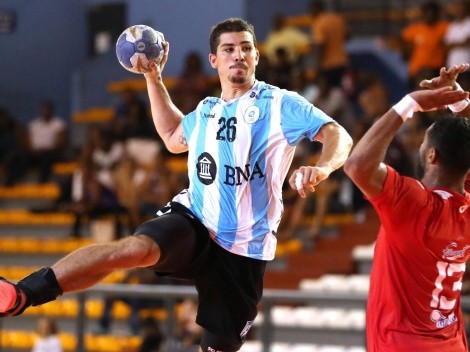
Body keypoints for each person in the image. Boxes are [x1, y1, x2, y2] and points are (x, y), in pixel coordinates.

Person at [0, 18, 352, 352]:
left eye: (246, 48)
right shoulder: (207, 109)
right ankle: (24, 293)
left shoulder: (279, 104)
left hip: (244, 249)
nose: (238, 55)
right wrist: (154, 77)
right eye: (229, 49)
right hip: (195, 220)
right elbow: (172, 135)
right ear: (215, 60)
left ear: (256, 56)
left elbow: (338, 135)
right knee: (133, 250)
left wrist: (321, 168)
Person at [343, 63, 470, 351]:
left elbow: (356, 166)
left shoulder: (416, 204)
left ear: (432, 156)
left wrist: (410, 103)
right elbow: (466, 146)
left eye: (423, 143)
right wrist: (457, 100)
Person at [400, 1, 449, 90]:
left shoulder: (445, 27)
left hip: (436, 70)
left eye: (431, 13)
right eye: (426, 12)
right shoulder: (413, 29)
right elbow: (404, 50)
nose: (429, 15)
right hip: (416, 70)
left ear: (437, 14)